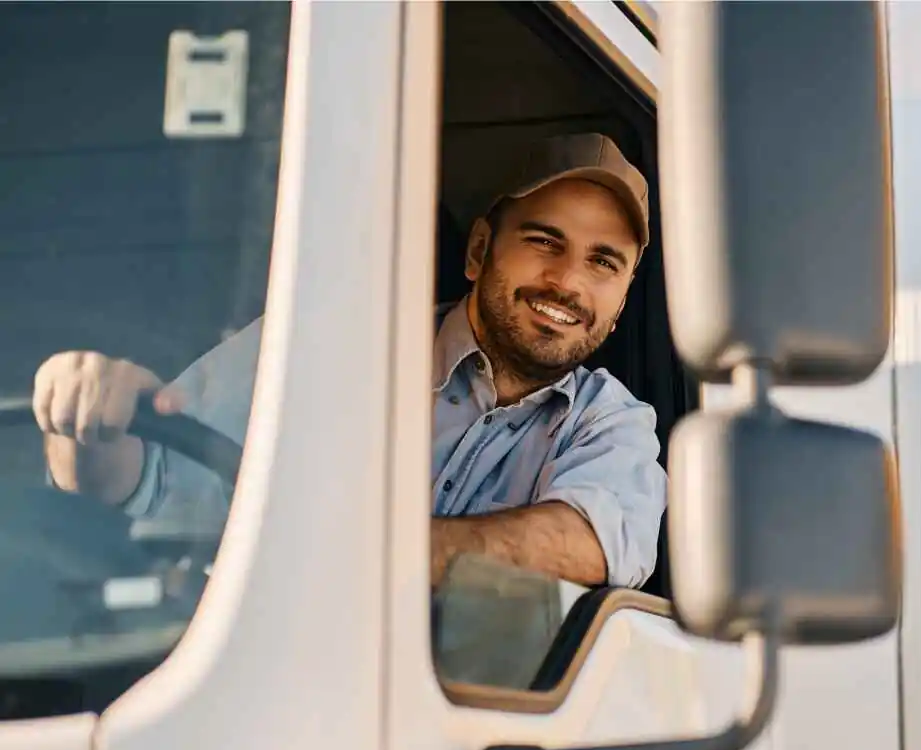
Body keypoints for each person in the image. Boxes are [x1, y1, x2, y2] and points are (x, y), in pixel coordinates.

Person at [33, 132, 666, 589]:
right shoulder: (326, 344)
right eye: (543, 242)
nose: (566, 282)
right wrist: (87, 419)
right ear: (479, 251)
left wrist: (340, 560)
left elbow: (593, 543)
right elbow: (147, 479)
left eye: (602, 262)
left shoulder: (612, 422)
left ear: (620, 300)